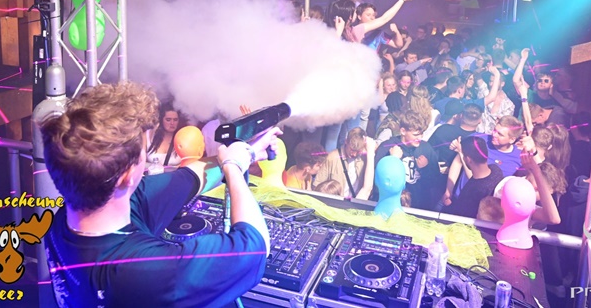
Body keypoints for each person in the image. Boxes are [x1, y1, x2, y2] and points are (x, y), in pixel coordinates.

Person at [41, 81, 281, 307]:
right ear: (128, 175)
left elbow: (187, 178)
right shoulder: (149, 270)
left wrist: (246, 152)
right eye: (143, 151)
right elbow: (255, 247)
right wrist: (234, 168)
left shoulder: (64, 219)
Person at [375, 110, 442, 211]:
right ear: (403, 131)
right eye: (416, 135)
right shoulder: (387, 147)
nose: (420, 138)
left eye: (421, 134)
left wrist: (425, 169)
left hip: (419, 206)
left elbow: (435, 181)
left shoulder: (426, 148)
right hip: (391, 205)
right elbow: (377, 179)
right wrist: (393, 160)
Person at [442, 136, 503, 219]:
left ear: (468, 159)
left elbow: (458, 216)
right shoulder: (496, 170)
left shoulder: (471, 193)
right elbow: (474, 176)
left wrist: (447, 204)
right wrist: (461, 153)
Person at [313, 127, 376, 200]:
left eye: (358, 151)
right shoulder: (332, 157)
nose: (354, 154)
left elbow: (368, 188)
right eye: (352, 150)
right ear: (346, 141)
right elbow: (318, 185)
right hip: (336, 201)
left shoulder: (365, 158)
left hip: (356, 201)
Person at [146, 104, 184, 168]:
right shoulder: (148, 135)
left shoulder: (184, 137)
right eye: (168, 120)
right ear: (161, 120)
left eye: (175, 120)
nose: (172, 123)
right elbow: (138, 163)